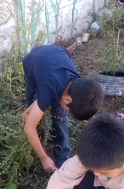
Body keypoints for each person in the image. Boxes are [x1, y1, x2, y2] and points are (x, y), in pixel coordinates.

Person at [22, 44, 103, 173]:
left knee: (59, 117)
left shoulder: (77, 85)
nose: (67, 111)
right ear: (68, 100)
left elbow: (27, 113)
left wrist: (29, 114)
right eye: (69, 109)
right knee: (34, 106)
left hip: (58, 54)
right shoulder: (49, 90)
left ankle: (62, 160)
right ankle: (39, 145)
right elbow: (29, 127)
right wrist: (43, 158)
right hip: (33, 62)